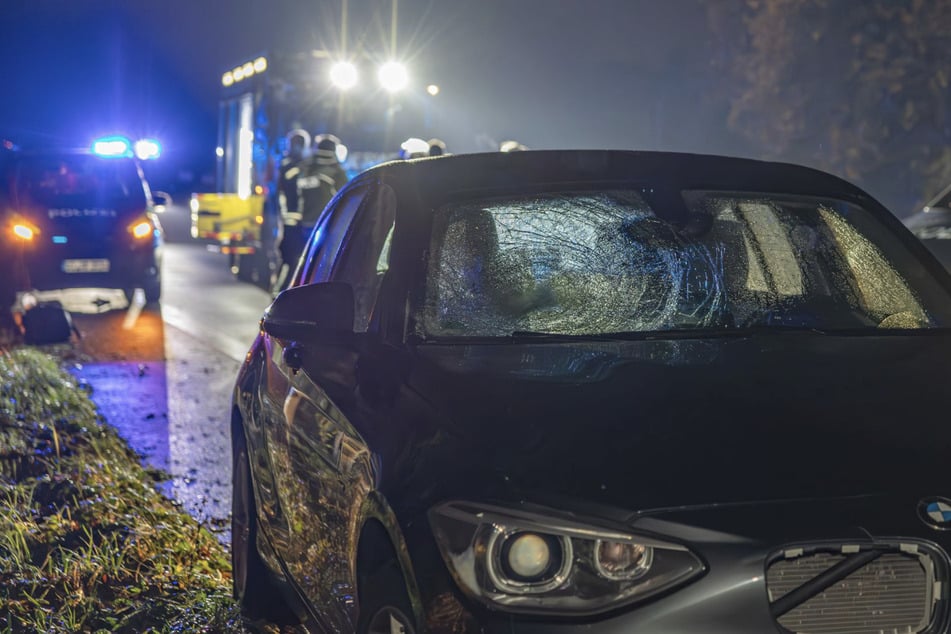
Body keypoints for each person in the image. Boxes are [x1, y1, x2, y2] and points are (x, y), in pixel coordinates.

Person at [274, 133, 349, 293]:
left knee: (301, 264)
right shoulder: (335, 172)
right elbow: (346, 198)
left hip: (303, 226)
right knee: (318, 265)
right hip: (326, 227)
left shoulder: (303, 169)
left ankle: (286, 295)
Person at [273, 129, 311, 292]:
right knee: (289, 261)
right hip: (290, 222)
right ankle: (277, 294)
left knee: (299, 261)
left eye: (300, 145)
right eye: (296, 144)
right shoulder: (287, 165)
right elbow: (287, 183)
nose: (298, 148)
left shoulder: (304, 165)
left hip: (301, 222)